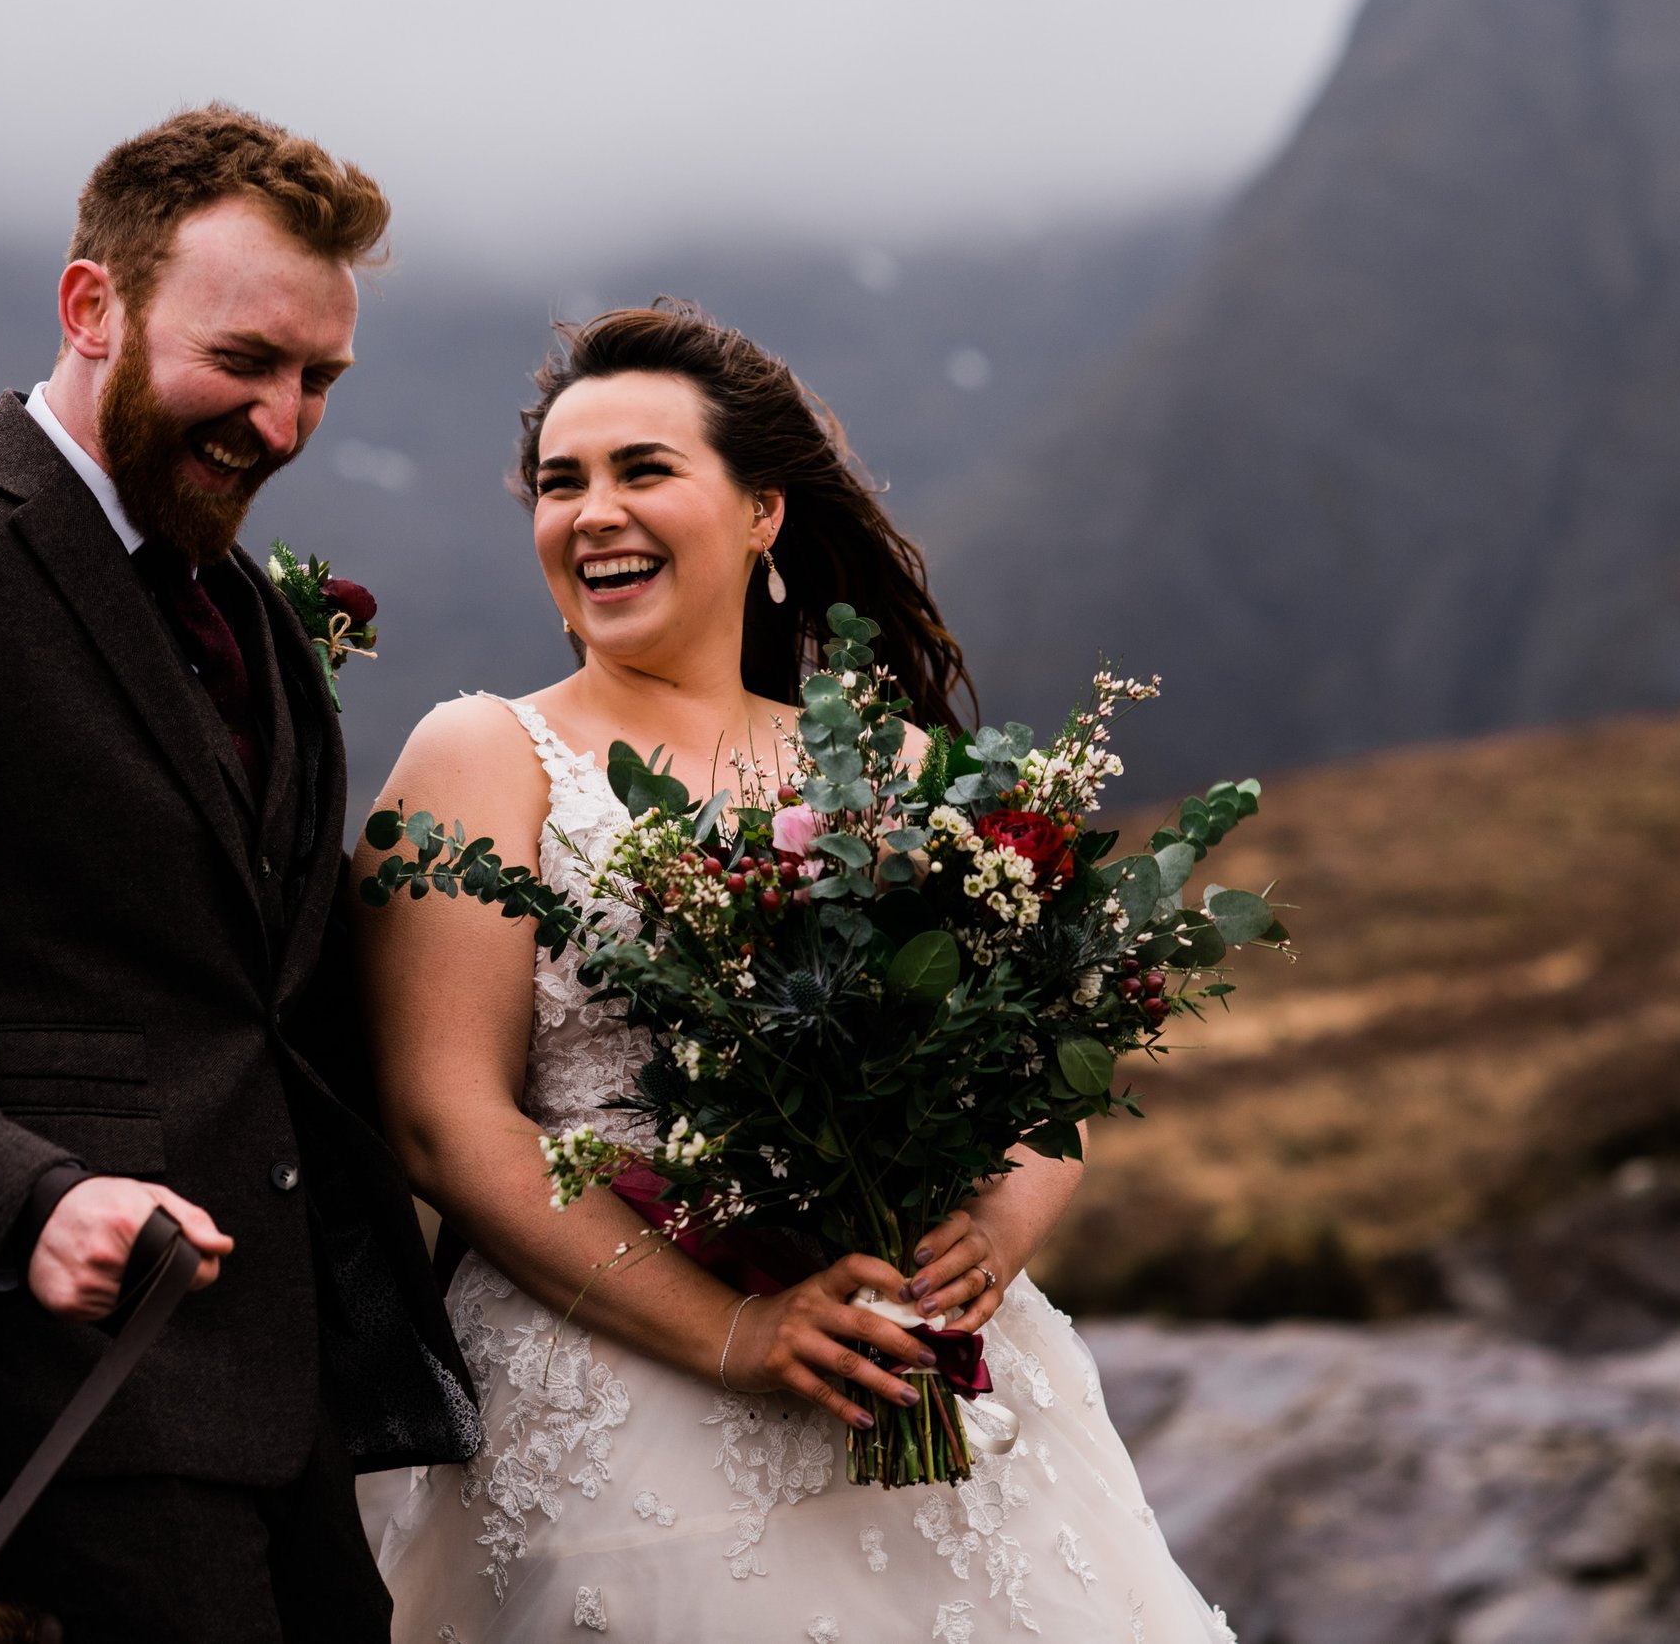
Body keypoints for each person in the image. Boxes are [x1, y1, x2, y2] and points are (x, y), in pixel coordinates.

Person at [0, 105, 470, 1642]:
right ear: (91, 306)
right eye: (243, 363)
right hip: (43, 1366)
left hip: (272, 1364)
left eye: (318, 379)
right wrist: (25, 1202)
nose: (285, 423)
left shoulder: (248, 608)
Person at [358, 302, 1237, 1640]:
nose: (593, 512)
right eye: (560, 482)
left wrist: (987, 1237)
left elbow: (1035, 1064)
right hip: (619, 1372)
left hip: (916, 1372)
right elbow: (443, 1120)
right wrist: (733, 1334)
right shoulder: (482, 756)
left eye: (643, 470)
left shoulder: (895, 770)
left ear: (763, 510)